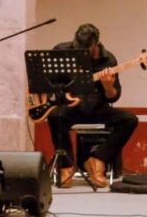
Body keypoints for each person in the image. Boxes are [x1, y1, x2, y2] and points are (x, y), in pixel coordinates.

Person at [47, 23, 138, 189]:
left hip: (97, 108)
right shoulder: (61, 50)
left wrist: (108, 87)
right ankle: (66, 166)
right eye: (78, 49)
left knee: (130, 120)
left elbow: (114, 96)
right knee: (55, 116)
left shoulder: (108, 60)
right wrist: (64, 95)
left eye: (85, 51)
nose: (80, 53)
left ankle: (97, 160)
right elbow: (48, 81)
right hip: (71, 108)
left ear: (95, 45)